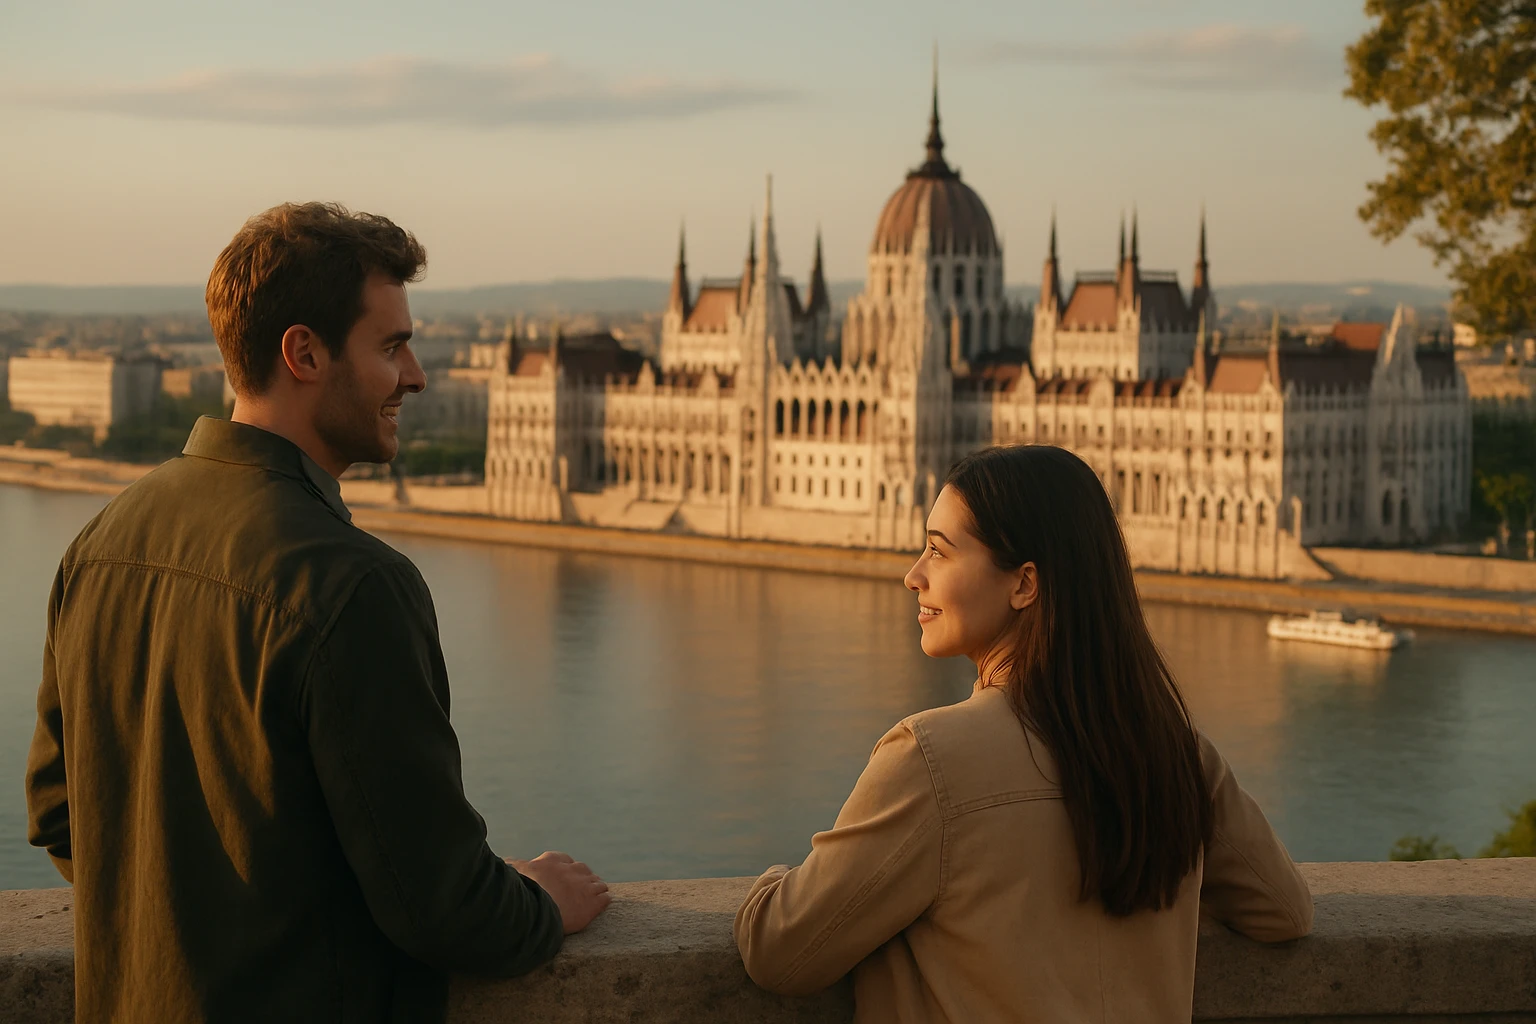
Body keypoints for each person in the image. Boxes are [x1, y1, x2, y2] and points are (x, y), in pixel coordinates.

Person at [25, 202, 611, 1024]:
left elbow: (61, 816)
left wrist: (200, 914)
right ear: (303, 353)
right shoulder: (355, 586)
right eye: (391, 346)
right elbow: (442, 906)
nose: (415, 376)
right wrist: (540, 899)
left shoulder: (99, 545)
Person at [734, 444, 1313, 1022]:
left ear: (1024, 585)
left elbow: (781, 951)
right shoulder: (1178, 755)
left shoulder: (930, 761)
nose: (913, 576)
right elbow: (1284, 911)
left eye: (938, 551)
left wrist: (777, 881)